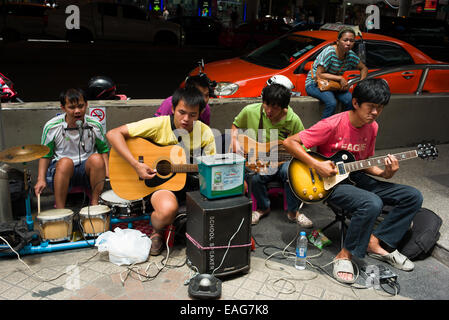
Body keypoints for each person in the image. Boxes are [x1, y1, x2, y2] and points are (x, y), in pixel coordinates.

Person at [283, 78, 422, 283]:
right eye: (371, 107)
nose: (375, 113)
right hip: (330, 184)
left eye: (380, 108)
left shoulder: (372, 127)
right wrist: (317, 164)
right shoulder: (332, 124)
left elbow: (363, 162)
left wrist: (386, 174)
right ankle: (344, 255)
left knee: (413, 196)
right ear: (356, 103)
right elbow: (289, 142)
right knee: (371, 203)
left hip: (356, 177)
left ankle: (375, 242)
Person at [106, 87, 216, 256]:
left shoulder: (205, 132)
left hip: (189, 183)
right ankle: (157, 230)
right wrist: (136, 165)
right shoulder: (159, 124)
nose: (186, 119)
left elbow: (211, 166)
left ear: (200, 114)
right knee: (167, 211)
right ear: (172, 109)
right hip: (159, 184)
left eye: (192, 115)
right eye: (181, 112)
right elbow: (113, 134)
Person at [231, 76, 313, 227]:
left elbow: (304, 145)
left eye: (275, 107)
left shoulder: (293, 120)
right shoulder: (250, 111)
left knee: (290, 172)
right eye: (266, 104)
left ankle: (293, 212)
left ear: (284, 107)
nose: (269, 110)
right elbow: (235, 125)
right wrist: (235, 141)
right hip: (260, 160)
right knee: (255, 179)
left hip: (283, 160)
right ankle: (263, 208)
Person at [34, 88, 109, 209]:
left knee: (97, 159)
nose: (77, 111)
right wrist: (40, 179)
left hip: (86, 169)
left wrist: (107, 170)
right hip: (61, 170)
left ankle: (95, 205)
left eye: (81, 106)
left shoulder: (95, 124)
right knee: (65, 162)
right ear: (63, 108)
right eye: (72, 107)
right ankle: (60, 209)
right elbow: (45, 155)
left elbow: (103, 150)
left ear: (86, 105)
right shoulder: (52, 126)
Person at [305, 27, 368, 119]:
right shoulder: (329, 52)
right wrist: (340, 78)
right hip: (315, 84)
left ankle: (343, 125)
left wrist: (361, 83)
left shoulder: (351, 55)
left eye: (351, 41)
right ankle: (324, 130)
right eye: (345, 40)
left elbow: (364, 68)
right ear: (338, 41)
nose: (348, 43)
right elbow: (319, 74)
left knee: (351, 101)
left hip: (333, 86)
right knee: (331, 103)